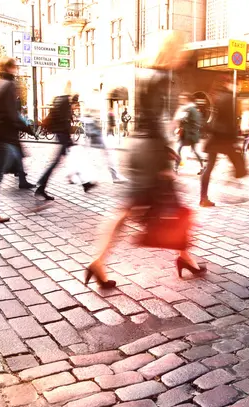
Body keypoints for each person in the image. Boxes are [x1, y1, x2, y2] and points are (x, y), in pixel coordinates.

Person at [85, 31, 206, 289]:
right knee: (174, 209)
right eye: (179, 48)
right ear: (170, 51)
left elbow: (146, 119)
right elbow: (156, 122)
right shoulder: (162, 78)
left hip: (137, 148)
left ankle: (100, 261)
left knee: (130, 208)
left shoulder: (143, 75)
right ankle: (184, 258)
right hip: (151, 152)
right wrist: (164, 161)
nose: (183, 53)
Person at [0, 57, 32, 224]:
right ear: (10, 68)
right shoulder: (10, 84)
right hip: (5, 135)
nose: (16, 69)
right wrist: (26, 126)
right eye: (15, 67)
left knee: (14, 157)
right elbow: (12, 114)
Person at [200, 77, 247, 207]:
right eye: (237, 85)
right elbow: (231, 121)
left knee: (209, 167)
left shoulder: (217, 96)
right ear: (229, 84)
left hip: (215, 137)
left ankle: (203, 198)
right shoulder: (229, 99)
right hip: (225, 138)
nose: (238, 88)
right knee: (238, 163)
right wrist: (235, 139)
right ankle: (234, 185)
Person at [35, 82, 75, 200]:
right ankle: (41, 186)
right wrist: (69, 137)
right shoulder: (65, 101)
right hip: (63, 134)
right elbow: (65, 120)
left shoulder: (58, 99)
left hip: (60, 133)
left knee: (69, 158)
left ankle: (85, 182)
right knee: (57, 161)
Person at [175, 93, 204, 173]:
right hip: (193, 135)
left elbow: (185, 120)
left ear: (188, 100)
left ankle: (176, 168)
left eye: (184, 99)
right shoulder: (196, 110)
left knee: (179, 149)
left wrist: (182, 120)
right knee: (194, 151)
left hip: (188, 135)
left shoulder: (190, 109)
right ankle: (202, 167)